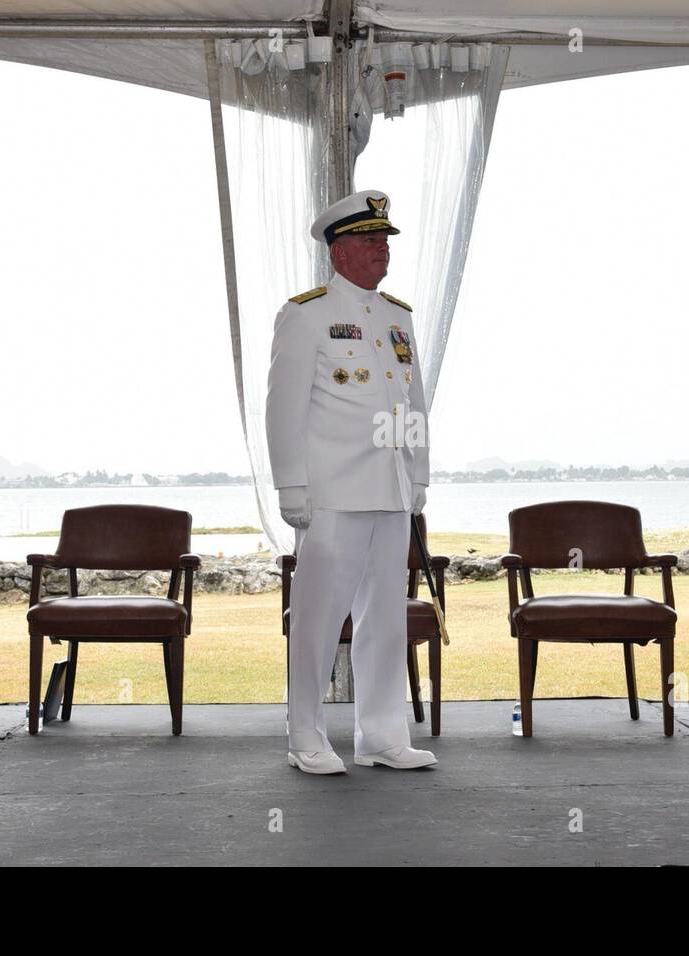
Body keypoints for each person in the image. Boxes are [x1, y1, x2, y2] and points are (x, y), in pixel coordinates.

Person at [265, 190, 436, 774]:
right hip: (332, 492)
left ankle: (383, 735)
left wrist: (418, 475)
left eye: (384, 240)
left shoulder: (399, 317)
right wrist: (291, 484)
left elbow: (412, 402)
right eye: (369, 241)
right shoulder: (305, 314)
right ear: (339, 252)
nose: (381, 250)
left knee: (385, 617)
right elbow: (283, 407)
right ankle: (305, 737)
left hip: (389, 489)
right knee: (317, 618)